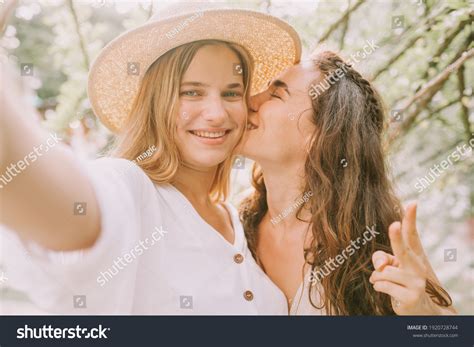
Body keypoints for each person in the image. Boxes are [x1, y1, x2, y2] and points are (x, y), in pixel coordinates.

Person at [0, 3, 301, 314]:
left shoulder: (237, 220)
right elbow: (63, 209)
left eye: (231, 93)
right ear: (156, 102)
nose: (216, 113)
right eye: (191, 92)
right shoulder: (131, 189)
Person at [239, 50, 457, 315]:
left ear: (321, 137)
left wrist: (421, 310)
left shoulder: (378, 239)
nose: (249, 100)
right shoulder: (233, 227)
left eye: (275, 94)